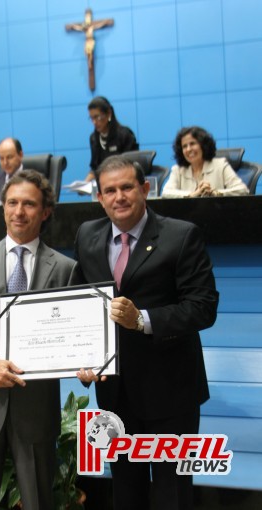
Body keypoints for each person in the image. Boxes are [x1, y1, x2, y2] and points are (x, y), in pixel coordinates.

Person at [75, 155, 219, 510]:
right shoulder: (88, 235)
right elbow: (81, 304)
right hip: (115, 394)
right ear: (99, 197)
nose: (119, 196)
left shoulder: (181, 235)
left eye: (127, 187)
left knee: (173, 495)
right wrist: (81, 357)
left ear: (144, 189)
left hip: (171, 392)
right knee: (126, 493)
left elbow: (203, 307)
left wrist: (143, 320)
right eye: (110, 190)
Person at [0, 170, 79, 510]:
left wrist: (86, 359)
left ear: (46, 211)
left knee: (39, 503)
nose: (19, 211)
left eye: (29, 204)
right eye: (12, 202)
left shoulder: (65, 268)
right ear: (1, 206)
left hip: (36, 410)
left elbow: (73, 334)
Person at [162, 126, 249, 198]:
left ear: (203, 145)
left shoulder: (221, 165)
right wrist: (192, 195)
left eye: (192, 144)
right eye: (184, 146)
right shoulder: (178, 170)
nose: (188, 149)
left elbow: (242, 190)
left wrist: (215, 193)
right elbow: (166, 193)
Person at [85, 96, 139, 182]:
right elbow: (95, 168)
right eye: (91, 118)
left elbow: (132, 165)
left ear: (109, 114)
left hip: (124, 180)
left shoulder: (124, 134)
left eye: (97, 117)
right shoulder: (94, 138)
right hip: (104, 183)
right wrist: (84, 184)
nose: (94, 122)